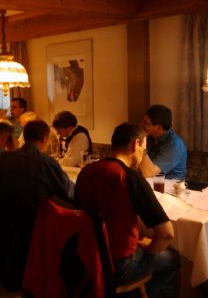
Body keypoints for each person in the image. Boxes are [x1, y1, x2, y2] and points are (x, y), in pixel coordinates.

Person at [0, 120, 75, 291]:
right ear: (45, 138)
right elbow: (69, 192)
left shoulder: (3, 157)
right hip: (34, 224)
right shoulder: (46, 162)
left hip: (3, 223)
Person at [75, 123, 179, 298]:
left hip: (86, 258)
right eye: (144, 150)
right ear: (135, 144)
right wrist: (150, 250)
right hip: (120, 264)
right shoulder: (130, 177)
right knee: (174, 259)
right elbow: (167, 234)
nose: (141, 155)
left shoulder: (86, 171)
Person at [139, 104, 187, 179]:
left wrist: (141, 145)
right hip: (151, 183)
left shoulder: (175, 146)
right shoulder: (151, 137)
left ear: (159, 128)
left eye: (146, 123)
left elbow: (149, 173)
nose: (142, 124)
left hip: (170, 188)